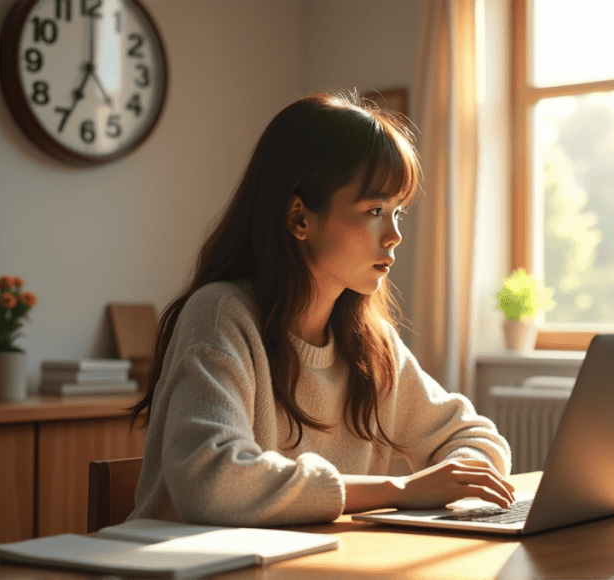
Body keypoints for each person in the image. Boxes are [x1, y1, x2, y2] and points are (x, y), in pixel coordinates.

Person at [126, 91, 514, 527]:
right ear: (299, 218)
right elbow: (211, 483)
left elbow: (477, 439)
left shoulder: (370, 344)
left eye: (398, 212)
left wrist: (458, 482)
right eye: (375, 210)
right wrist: (398, 490)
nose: (394, 236)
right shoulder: (220, 315)